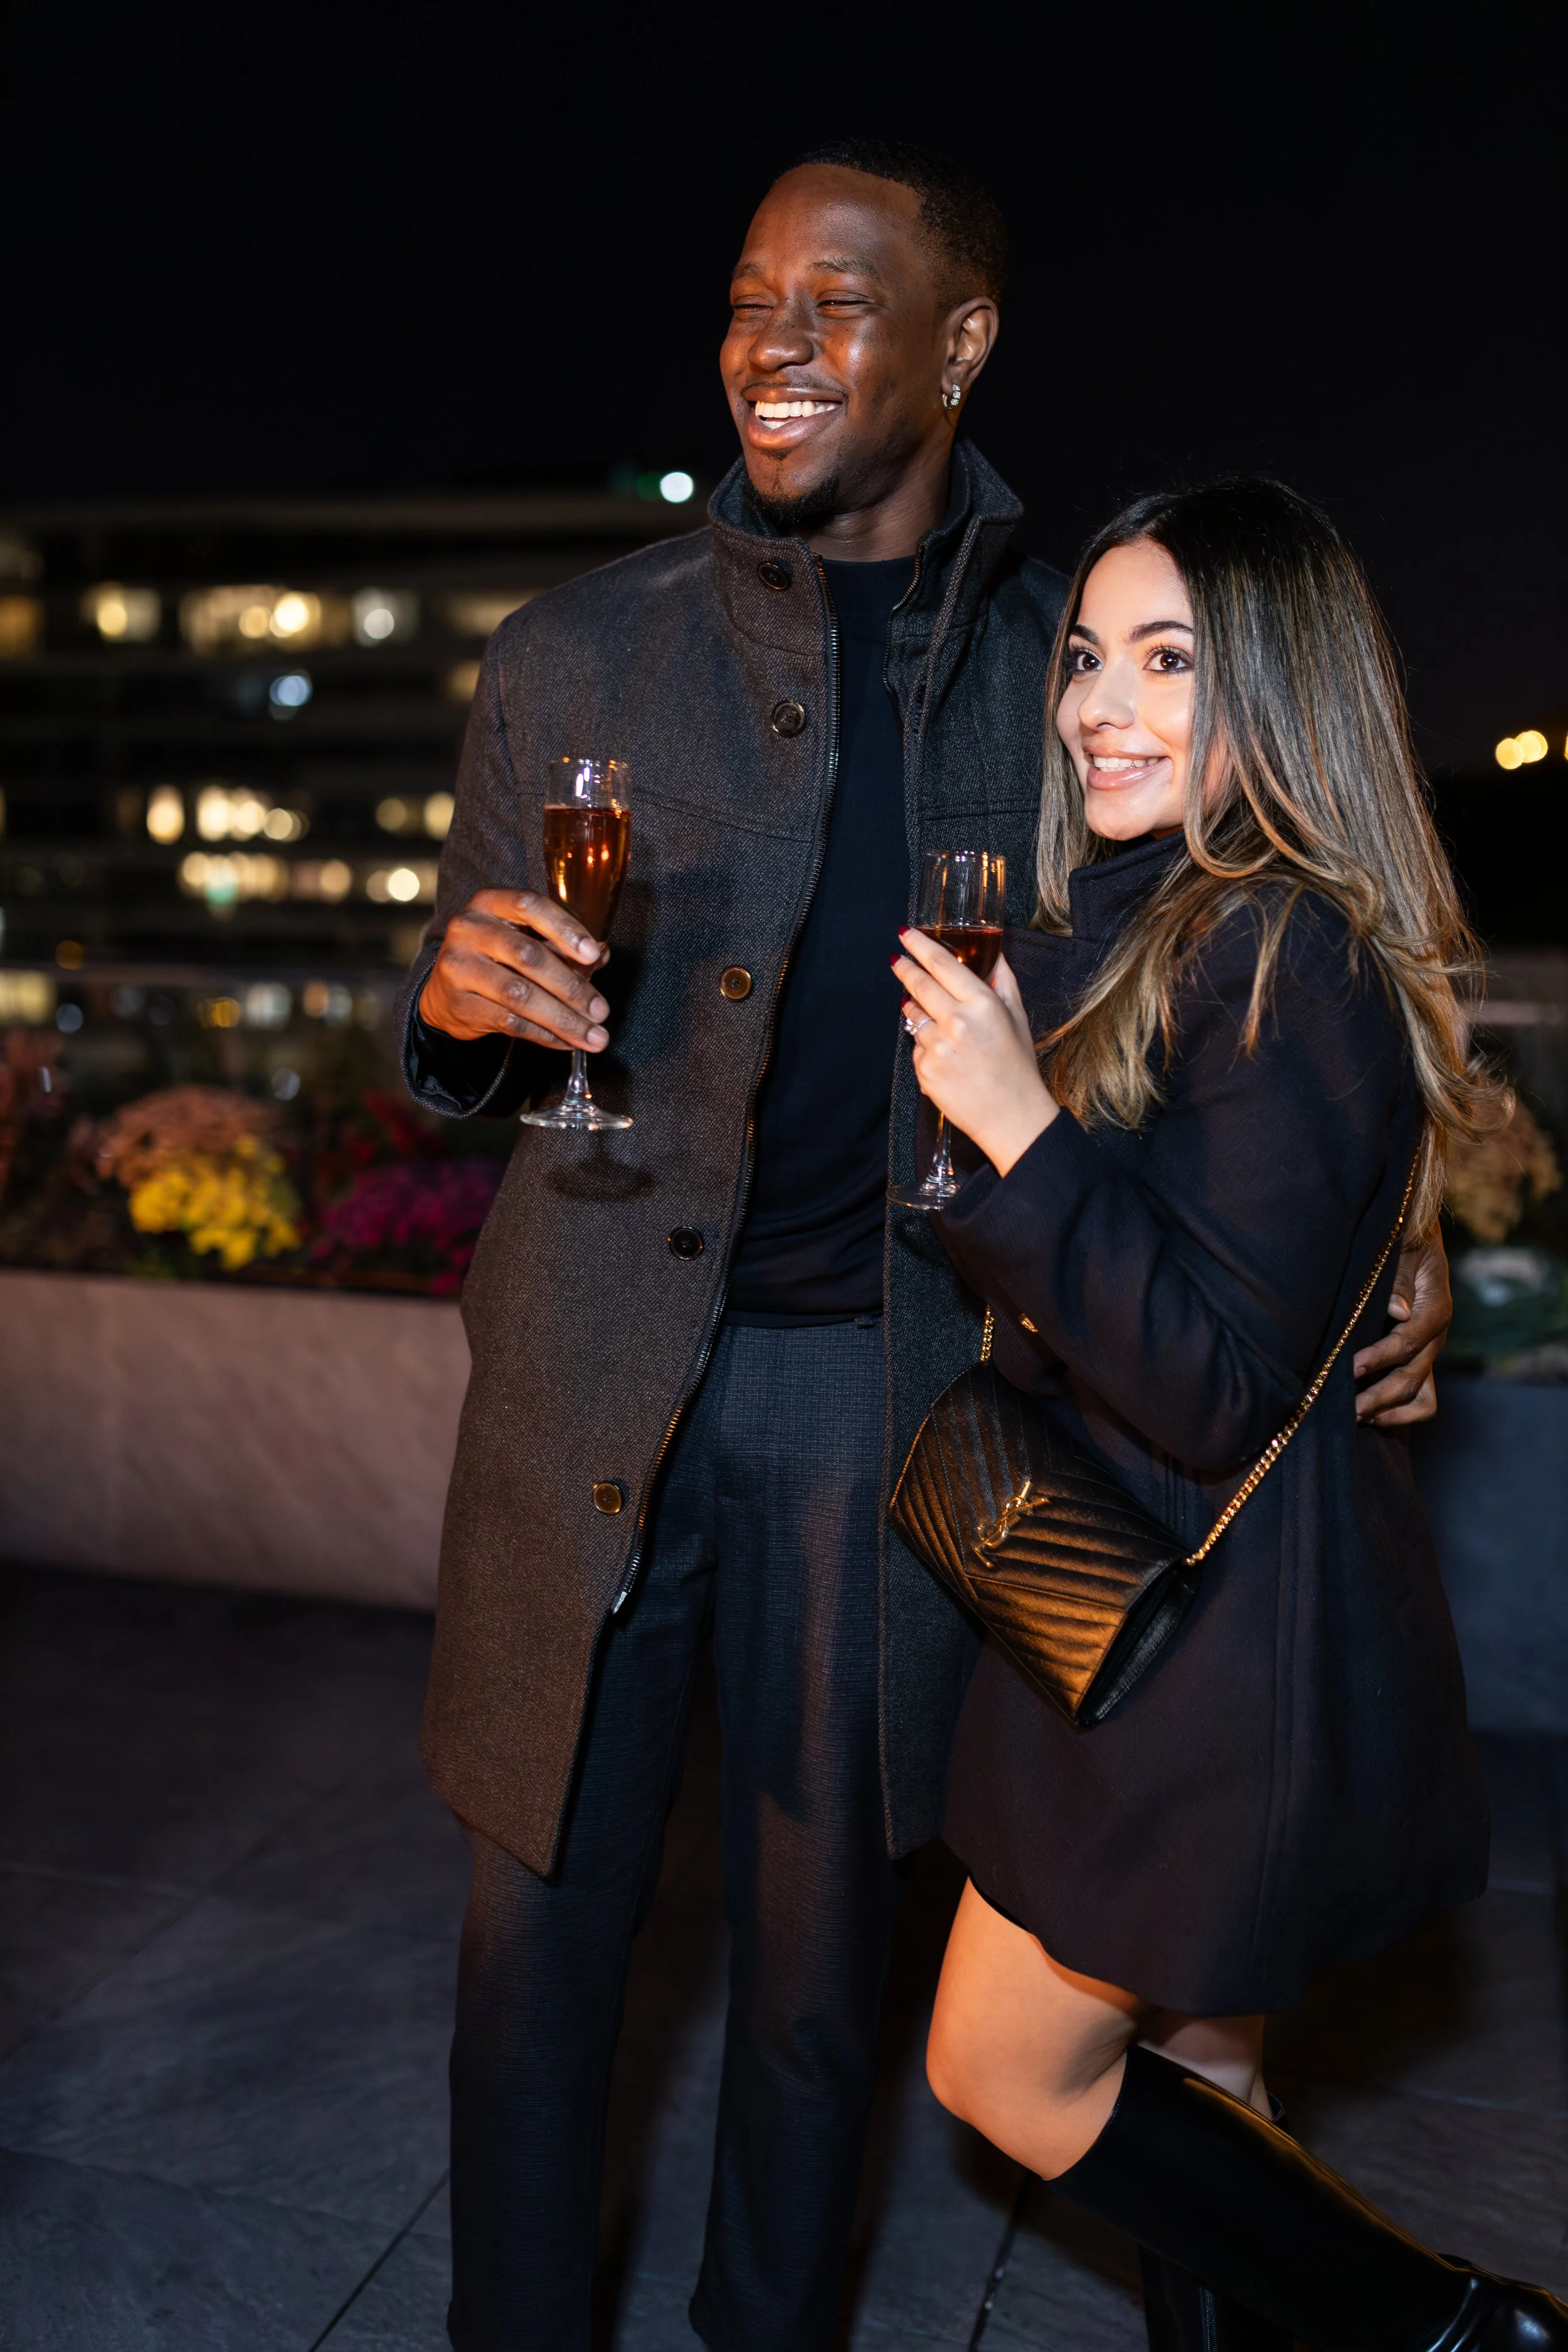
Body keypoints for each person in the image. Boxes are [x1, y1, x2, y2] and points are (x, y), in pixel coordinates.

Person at [401, 142, 1452, 2351]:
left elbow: (1241, 980)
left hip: (889, 1397)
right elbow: (463, 1019)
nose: (769, 343)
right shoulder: (575, 649)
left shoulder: (1072, 672)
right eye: (745, 296)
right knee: (536, 1942)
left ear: (962, 342)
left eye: (834, 301)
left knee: (818, 1970)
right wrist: (452, 1009)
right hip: (592, 1373)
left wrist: (1393, 1243)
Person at [896, 480, 1565, 2348]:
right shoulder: (1145, 915)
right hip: (1154, 1606)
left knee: (997, 2070)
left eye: (1169, 660)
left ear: (1282, 688)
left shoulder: (1283, 947)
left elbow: (1204, 1381)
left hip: (1200, 1646)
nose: (1100, 705)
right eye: (1086, 656)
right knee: (1203, 2075)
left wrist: (1015, 1125)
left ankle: (1458, 2332)